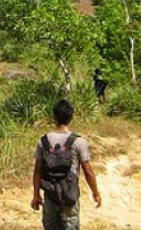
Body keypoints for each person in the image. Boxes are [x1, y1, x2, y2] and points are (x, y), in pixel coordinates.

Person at [31, 99, 102, 230]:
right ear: (71, 118)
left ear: (54, 117)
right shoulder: (78, 142)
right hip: (70, 196)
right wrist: (95, 193)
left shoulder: (43, 141)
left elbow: (37, 171)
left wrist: (36, 195)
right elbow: (88, 171)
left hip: (50, 195)